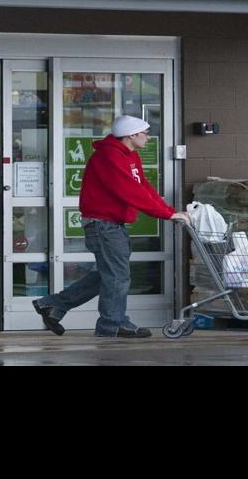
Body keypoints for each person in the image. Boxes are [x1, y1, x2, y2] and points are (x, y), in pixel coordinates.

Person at [33, 115, 189, 338]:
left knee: (111, 274)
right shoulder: (109, 156)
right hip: (103, 224)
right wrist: (167, 214)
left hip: (111, 224)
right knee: (117, 276)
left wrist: (169, 210)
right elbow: (129, 191)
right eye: (145, 133)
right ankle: (112, 324)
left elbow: (143, 187)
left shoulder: (130, 156)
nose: (149, 137)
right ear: (131, 135)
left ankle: (53, 304)